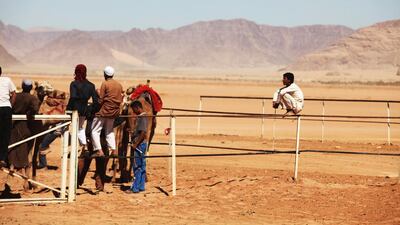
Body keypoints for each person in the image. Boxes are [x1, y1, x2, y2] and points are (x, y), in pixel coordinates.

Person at [8, 79, 40, 190]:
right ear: (31, 88)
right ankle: (24, 176)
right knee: (24, 148)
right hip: (25, 125)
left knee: (12, 145)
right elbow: (35, 109)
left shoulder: (15, 96)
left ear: (22, 86)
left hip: (13, 124)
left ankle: (11, 165)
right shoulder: (32, 98)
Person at [91, 66, 123, 157]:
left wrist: (98, 93)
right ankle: (113, 150)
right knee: (109, 131)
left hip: (104, 111)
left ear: (105, 74)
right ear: (113, 74)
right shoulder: (119, 84)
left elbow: (101, 100)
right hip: (114, 112)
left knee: (94, 131)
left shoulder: (105, 84)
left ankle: (99, 151)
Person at [66, 64, 98, 153]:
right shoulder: (91, 85)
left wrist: (68, 110)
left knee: (75, 128)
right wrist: (91, 110)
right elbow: (95, 101)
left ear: (76, 72)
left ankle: (81, 145)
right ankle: (84, 145)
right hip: (84, 110)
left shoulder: (73, 84)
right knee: (80, 127)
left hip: (75, 109)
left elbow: (73, 97)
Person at [126, 101, 148, 193]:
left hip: (139, 145)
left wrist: (135, 144)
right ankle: (141, 186)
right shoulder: (143, 117)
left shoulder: (142, 118)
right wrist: (132, 131)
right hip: (142, 144)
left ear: (137, 108)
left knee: (137, 166)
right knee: (142, 166)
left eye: (134, 109)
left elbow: (143, 133)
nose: (133, 112)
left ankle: (134, 188)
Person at [0, 66, 16, 168]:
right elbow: (14, 94)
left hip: (5, 107)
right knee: (5, 134)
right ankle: (2, 158)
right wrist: (10, 105)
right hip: (6, 108)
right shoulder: (7, 80)